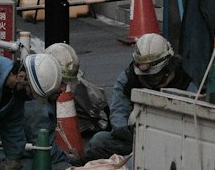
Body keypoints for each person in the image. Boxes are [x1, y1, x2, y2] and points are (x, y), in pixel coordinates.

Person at [83, 33, 193, 162]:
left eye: (153, 76)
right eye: (145, 76)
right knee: (99, 140)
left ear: (168, 67)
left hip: (171, 142)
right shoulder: (128, 79)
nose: (149, 80)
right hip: (134, 138)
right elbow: (119, 112)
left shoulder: (186, 84)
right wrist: (129, 133)